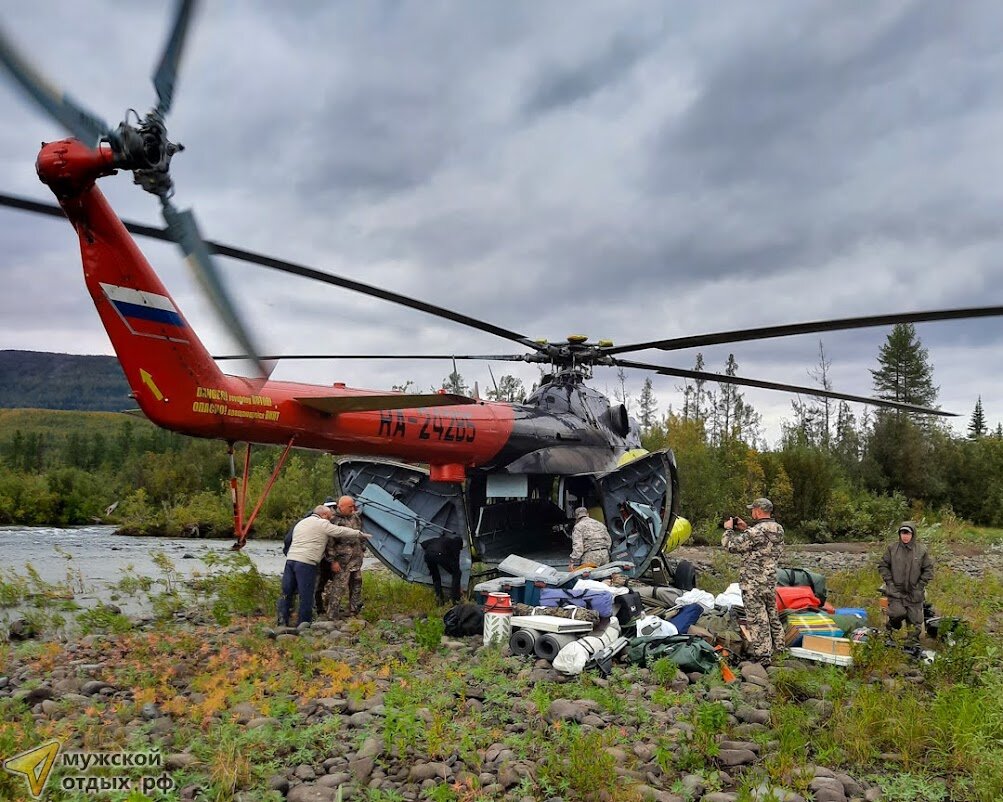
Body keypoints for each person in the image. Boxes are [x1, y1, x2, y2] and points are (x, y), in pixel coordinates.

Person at [722, 497, 785, 665]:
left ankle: (763, 655)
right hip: (769, 580)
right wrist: (745, 528)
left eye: (752, 509)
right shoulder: (778, 529)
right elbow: (761, 542)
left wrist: (729, 530)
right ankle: (779, 649)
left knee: (757, 618)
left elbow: (731, 546)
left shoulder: (755, 531)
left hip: (753, 582)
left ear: (757, 510)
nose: (751, 512)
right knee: (772, 614)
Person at [277, 505, 361, 627]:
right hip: (306, 563)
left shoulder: (301, 523)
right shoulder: (322, 523)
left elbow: (288, 539)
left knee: (287, 592)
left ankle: (282, 620)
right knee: (306, 594)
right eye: (329, 516)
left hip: (291, 560)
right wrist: (359, 533)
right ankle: (304, 622)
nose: (331, 518)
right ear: (324, 515)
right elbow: (339, 531)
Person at [878, 521, 934, 645]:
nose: (905, 536)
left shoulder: (921, 550)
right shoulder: (892, 548)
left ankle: (911, 645)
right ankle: (890, 632)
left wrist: (920, 586)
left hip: (914, 592)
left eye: (908, 533)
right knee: (897, 613)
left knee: (915, 623)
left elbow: (928, 570)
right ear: (899, 534)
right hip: (896, 592)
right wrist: (889, 583)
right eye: (903, 533)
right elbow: (883, 566)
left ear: (913, 534)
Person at [324, 495, 371, 619]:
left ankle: (353, 611)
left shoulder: (355, 518)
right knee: (339, 587)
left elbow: (360, 534)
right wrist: (333, 561)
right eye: (350, 506)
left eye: (353, 506)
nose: (352, 508)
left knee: (356, 584)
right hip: (342, 561)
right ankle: (332, 614)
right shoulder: (333, 520)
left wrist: (362, 548)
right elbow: (329, 544)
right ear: (341, 506)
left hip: (356, 559)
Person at [421, 534, 464, 604]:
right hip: (440, 555)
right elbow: (456, 562)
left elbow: (423, 544)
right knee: (457, 573)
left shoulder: (439, 539)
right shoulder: (456, 545)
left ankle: (439, 597)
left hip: (428, 555)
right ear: (460, 545)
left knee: (435, 576)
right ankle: (455, 598)